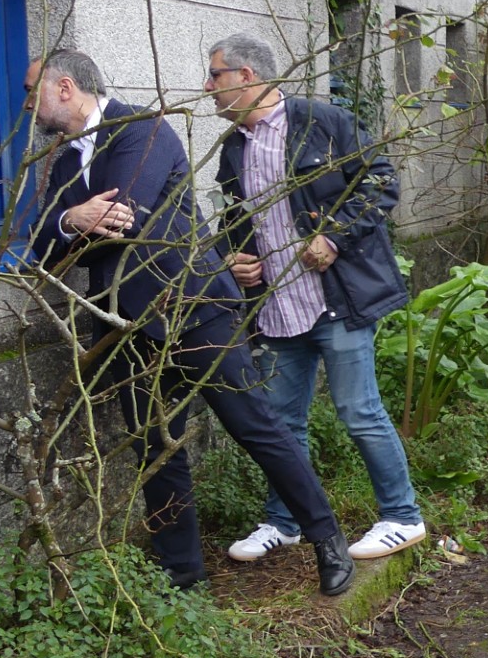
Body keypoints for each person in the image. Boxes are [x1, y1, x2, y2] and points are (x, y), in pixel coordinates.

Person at [25, 50, 356, 597]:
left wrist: (77, 223)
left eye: (30, 91)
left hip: (194, 309)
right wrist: (69, 217)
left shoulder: (142, 130)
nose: (25, 107)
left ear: (64, 88)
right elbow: (40, 244)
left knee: (256, 427)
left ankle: (326, 539)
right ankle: (183, 576)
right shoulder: (62, 163)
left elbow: (123, 216)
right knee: (155, 449)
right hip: (123, 325)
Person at [206, 33, 427, 563]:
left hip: (337, 298)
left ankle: (402, 516)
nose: (208, 87)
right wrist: (232, 258)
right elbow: (236, 219)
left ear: (247, 77)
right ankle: (284, 522)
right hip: (279, 306)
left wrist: (333, 236)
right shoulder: (235, 146)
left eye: (215, 75)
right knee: (282, 423)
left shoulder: (322, 123)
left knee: (359, 410)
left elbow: (380, 182)